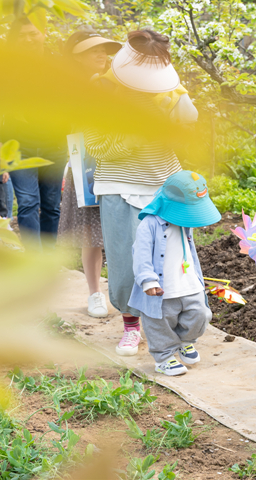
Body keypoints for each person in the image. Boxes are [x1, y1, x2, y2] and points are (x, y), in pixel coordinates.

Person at [85, 29, 198, 357]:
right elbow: (95, 145)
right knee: (125, 261)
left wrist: (176, 101)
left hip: (163, 183)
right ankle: (132, 327)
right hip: (119, 186)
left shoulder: (169, 91)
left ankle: (175, 328)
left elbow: (189, 126)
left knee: (174, 258)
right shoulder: (101, 89)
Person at [58, 29, 122, 318]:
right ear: (77, 57)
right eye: (94, 51)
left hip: (119, 162)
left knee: (124, 232)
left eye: (104, 50)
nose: (102, 55)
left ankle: (125, 293)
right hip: (86, 165)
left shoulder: (117, 83)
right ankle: (95, 293)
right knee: (91, 234)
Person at [128, 170, 217, 376]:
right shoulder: (149, 225)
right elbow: (140, 254)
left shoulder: (185, 223)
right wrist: (148, 281)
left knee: (201, 313)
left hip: (187, 282)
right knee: (159, 321)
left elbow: (189, 251)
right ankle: (164, 357)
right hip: (160, 287)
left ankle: (185, 341)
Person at [5, 19, 67, 250]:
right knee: (28, 202)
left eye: (33, 33)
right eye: (22, 35)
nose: (28, 39)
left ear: (44, 32)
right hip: (19, 146)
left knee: (51, 204)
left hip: (55, 145)